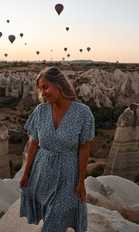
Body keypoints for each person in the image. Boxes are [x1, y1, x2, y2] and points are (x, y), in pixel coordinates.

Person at [20, 67, 95, 232]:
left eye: (45, 87)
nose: (43, 92)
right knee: (48, 213)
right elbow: (34, 143)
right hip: (42, 171)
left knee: (55, 219)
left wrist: (81, 181)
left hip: (68, 175)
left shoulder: (83, 113)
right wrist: (26, 173)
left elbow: (84, 149)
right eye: (40, 89)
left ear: (59, 84)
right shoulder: (40, 111)